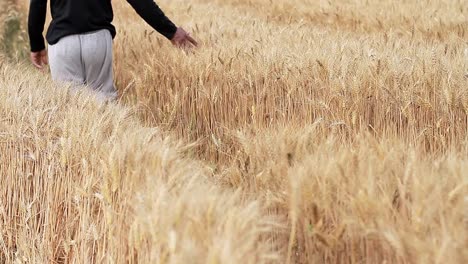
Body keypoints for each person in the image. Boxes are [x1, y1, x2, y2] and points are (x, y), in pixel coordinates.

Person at [28, 0, 197, 100]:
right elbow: (140, 2)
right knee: (104, 104)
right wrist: (171, 32)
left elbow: (37, 5)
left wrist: (36, 44)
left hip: (63, 42)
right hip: (98, 40)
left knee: (68, 108)